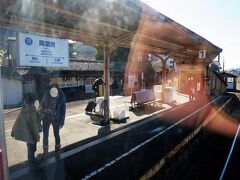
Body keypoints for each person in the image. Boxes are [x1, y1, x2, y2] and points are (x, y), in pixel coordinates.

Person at [11, 95, 41, 166]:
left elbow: (17, 121)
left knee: (30, 148)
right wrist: (37, 137)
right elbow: (33, 127)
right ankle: (32, 162)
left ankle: (31, 160)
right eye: (36, 103)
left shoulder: (25, 109)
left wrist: (13, 132)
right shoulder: (31, 112)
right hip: (30, 134)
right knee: (32, 148)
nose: (37, 104)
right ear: (31, 103)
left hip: (27, 133)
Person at [40, 83, 66, 159]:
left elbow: (63, 110)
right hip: (46, 118)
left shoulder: (61, 96)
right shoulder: (46, 95)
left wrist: (62, 121)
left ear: (58, 90)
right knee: (45, 135)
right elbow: (42, 105)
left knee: (56, 134)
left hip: (56, 118)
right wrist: (44, 110)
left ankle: (57, 151)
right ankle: (45, 152)